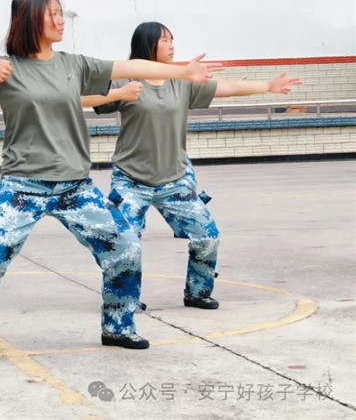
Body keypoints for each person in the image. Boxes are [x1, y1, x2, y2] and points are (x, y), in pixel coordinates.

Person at [0, 0, 224, 359]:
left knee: (125, 247)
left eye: (61, 13)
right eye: (53, 14)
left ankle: (118, 327)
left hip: (75, 186)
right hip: (22, 185)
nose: (61, 21)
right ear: (29, 19)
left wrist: (181, 71)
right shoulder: (5, 68)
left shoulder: (74, 65)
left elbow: (129, 68)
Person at [82, 21, 302, 310]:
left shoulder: (182, 82)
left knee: (207, 237)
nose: (171, 46)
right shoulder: (128, 79)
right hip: (131, 181)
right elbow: (86, 99)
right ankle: (125, 299)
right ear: (147, 44)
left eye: (172, 40)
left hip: (174, 181)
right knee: (124, 244)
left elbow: (228, 87)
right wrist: (118, 94)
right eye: (164, 40)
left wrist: (268, 86)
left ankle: (197, 292)